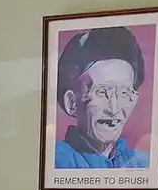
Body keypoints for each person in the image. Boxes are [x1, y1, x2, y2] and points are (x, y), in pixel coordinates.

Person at [52, 26, 150, 170]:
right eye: (102, 92)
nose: (114, 109)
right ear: (71, 103)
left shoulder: (143, 163)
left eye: (124, 93)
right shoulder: (55, 160)